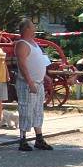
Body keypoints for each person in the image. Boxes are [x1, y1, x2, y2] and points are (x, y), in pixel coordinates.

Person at [15, 18, 53, 151]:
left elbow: (37, 62)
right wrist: (30, 82)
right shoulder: (22, 44)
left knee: (38, 111)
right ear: (27, 29)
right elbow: (22, 65)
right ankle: (22, 140)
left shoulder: (33, 43)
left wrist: (45, 76)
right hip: (27, 84)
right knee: (26, 110)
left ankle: (39, 138)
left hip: (39, 83)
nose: (35, 28)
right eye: (33, 26)